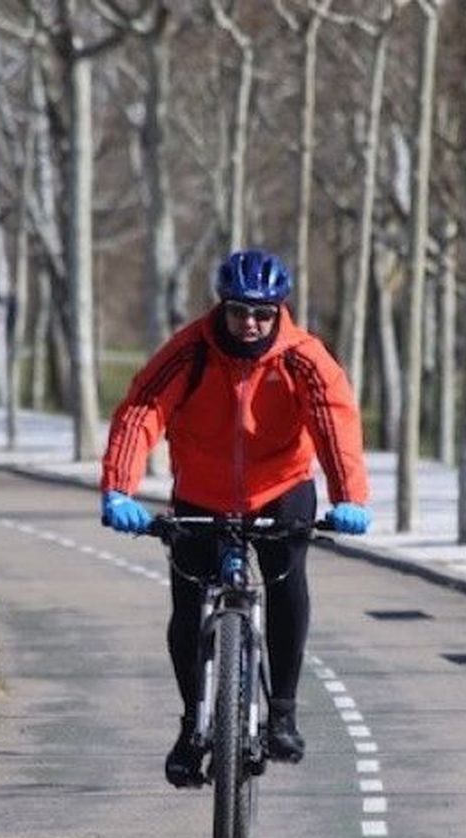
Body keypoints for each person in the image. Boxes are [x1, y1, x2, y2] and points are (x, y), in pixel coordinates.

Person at [99, 250, 372, 788]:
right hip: (201, 492)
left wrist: (350, 499)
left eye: (263, 314)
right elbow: (142, 411)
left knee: (287, 578)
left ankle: (285, 712)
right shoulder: (189, 352)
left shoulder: (305, 359)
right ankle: (191, 724)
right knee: (186, 603)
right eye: (239, 312)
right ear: (221, 309)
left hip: (281, 488)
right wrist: (118, 490)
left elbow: (334, 423)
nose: (250, 324)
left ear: (279, 312)